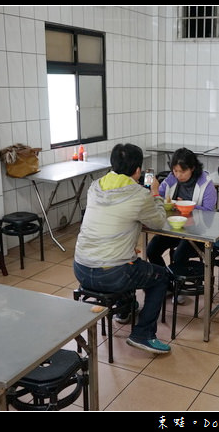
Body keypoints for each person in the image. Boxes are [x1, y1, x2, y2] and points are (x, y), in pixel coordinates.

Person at [73, 143, 171, 355]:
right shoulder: (139, 195)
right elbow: (159, 222)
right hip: (112, 273)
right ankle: (143, 334)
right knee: (161, 277)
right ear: (138, 170)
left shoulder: (95, 186)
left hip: (81, 267)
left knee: (131, 261)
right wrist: (155, 194)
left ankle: (125, 310)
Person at [147, 148, 217, 269]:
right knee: (151, 250)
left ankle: (176, 284)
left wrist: (187, 206)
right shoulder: (171, 178)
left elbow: (209, 212)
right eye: (175, 170)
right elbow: (159, 195)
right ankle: (165, 280)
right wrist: (154, 191)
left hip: (197, 232)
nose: (178, 175)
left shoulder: (206, 183)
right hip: (173, 229)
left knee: (178, 256)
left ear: (192, 168)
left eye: (182, 171)